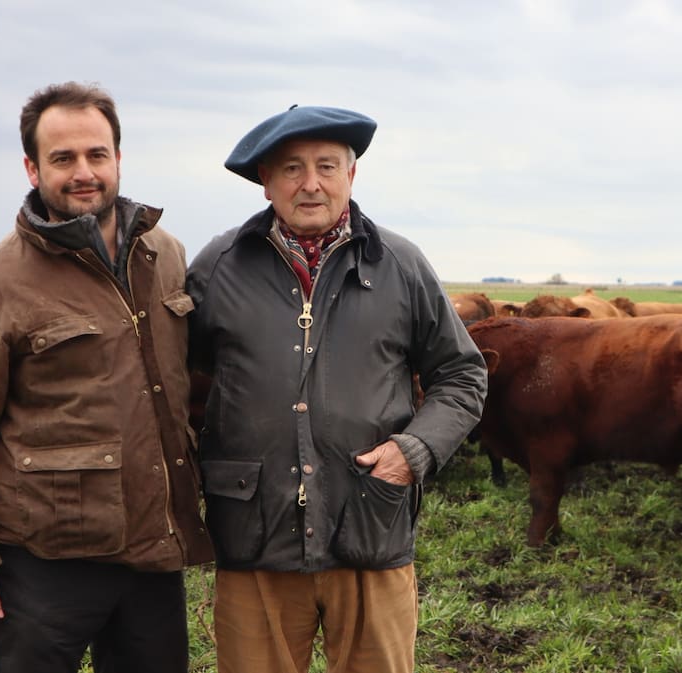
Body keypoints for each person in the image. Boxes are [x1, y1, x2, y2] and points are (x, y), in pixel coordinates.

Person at [0, 81, 214, 673]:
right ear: (32, 169)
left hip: (151, 558)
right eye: (63, 158)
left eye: (97, 154)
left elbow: (194, 387)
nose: (84, 172)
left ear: (118, 158)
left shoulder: (164, 254)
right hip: (40, 567)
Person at [187, 105, 487, 673]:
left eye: (327, 166)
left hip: (370, 522)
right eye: (291, 168)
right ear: (265, 181)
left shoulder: (400, 265)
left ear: (351, 174)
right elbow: (174, 376)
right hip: (254, 534)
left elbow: (462, 373)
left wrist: (413, 451)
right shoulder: (219, 267)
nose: (310, 183)